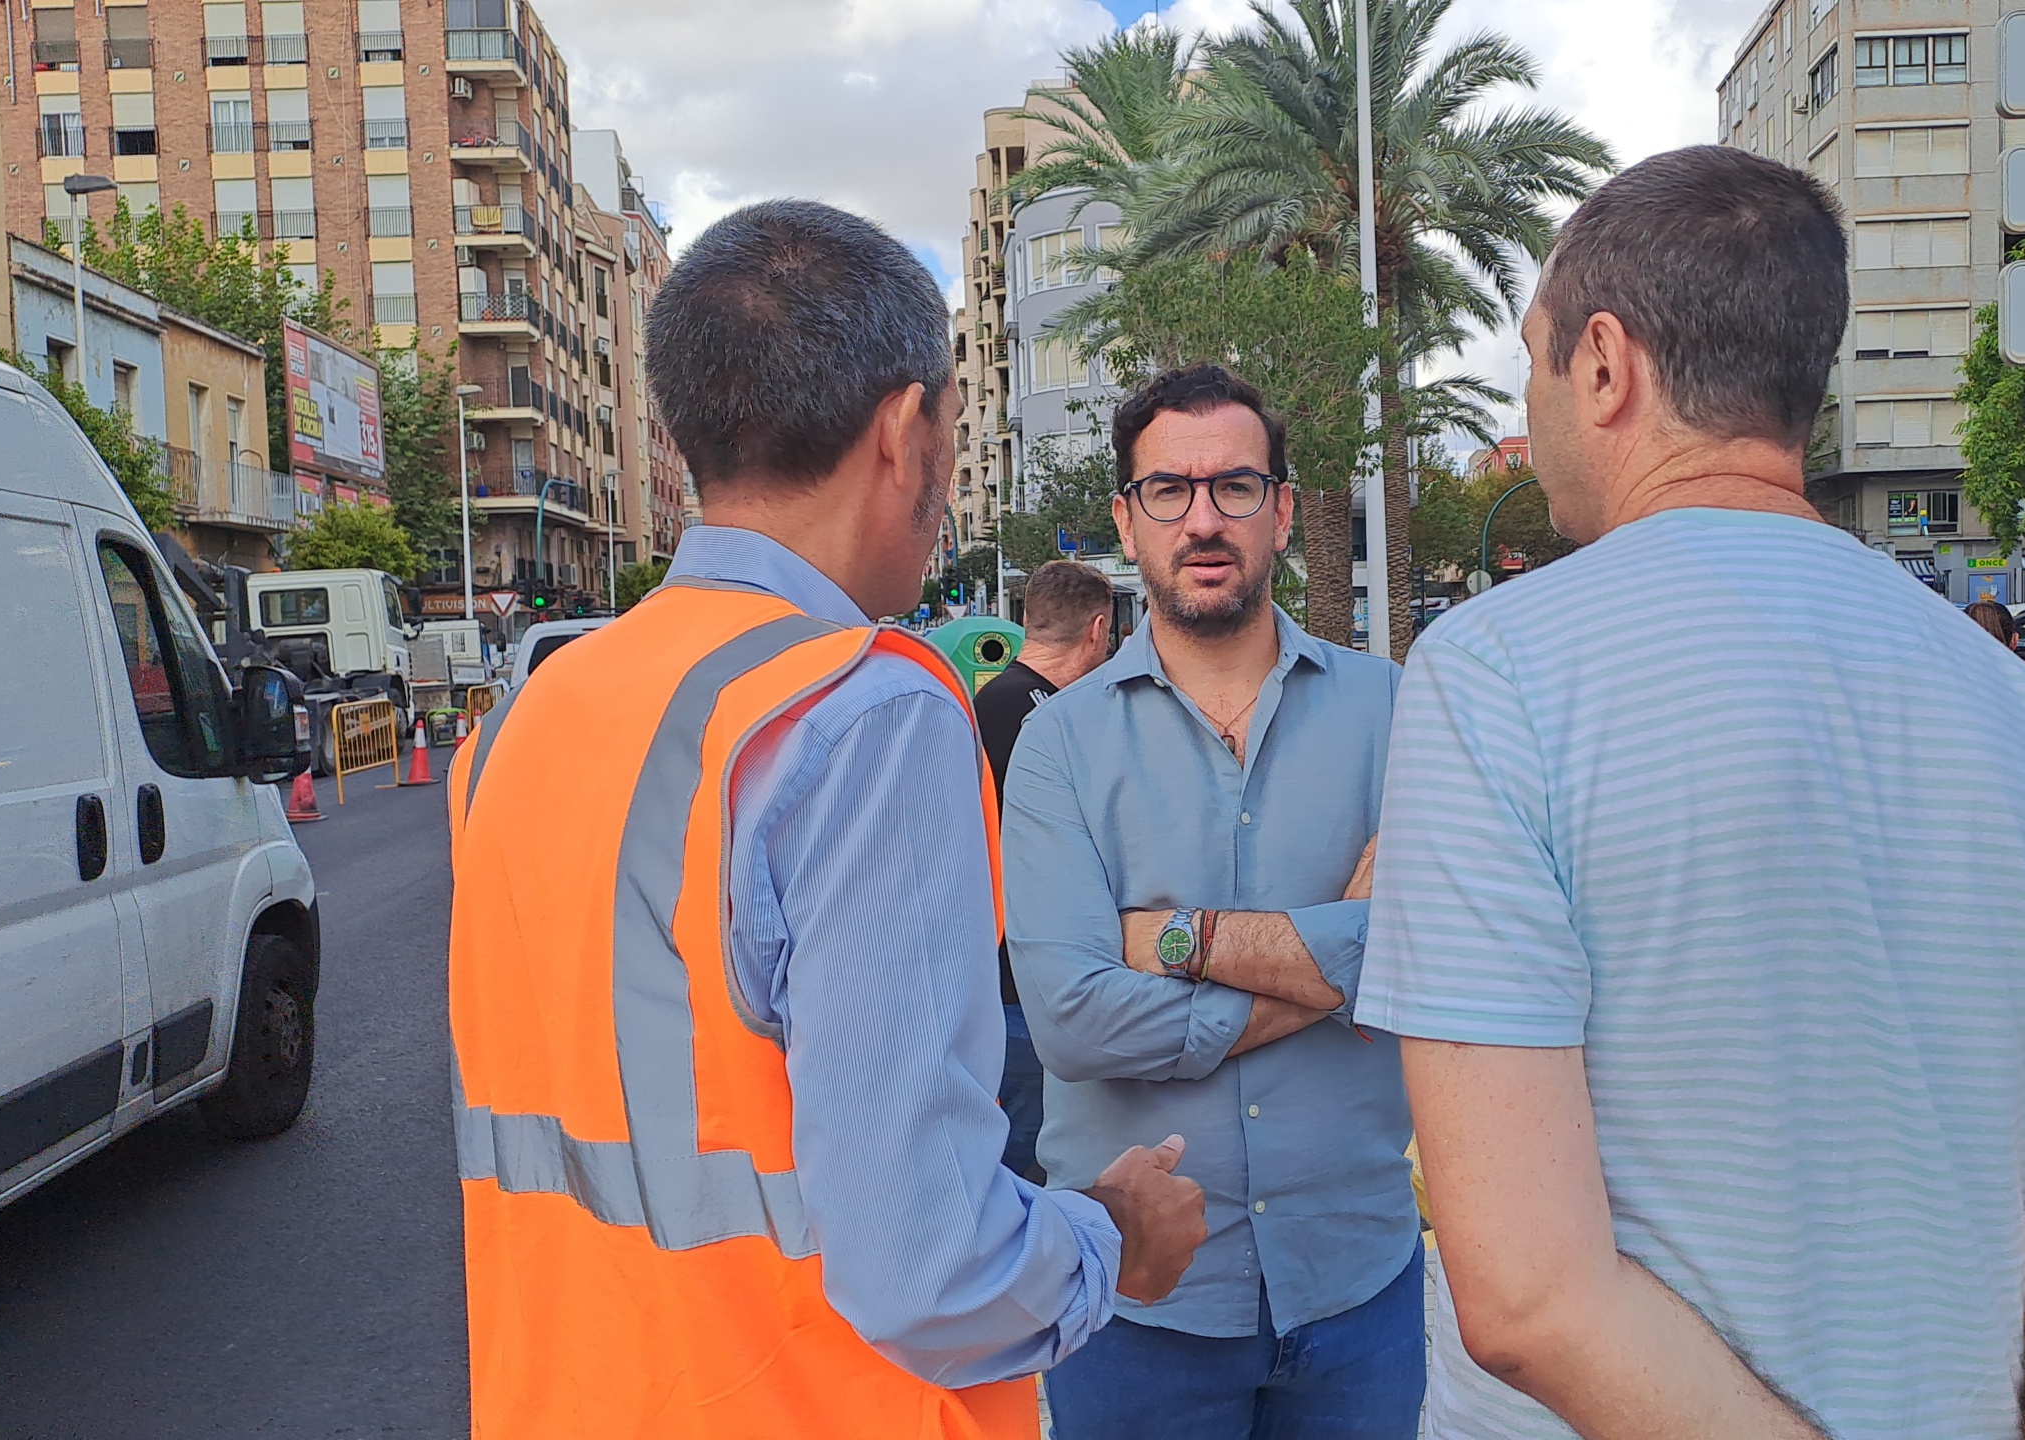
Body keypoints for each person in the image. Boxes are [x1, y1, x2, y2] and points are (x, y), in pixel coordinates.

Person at [1357, 146, 2025, 1440]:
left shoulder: (1498, 675)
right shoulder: (2022, 715)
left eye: (1533, 360)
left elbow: (1529, 1295)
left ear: (1603, 365)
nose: (1533, 409)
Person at [446, 200, 1205, 1440]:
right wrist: (1113, 1236)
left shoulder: (523, 722)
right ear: (905, 432)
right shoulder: (857, 709)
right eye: (953, 432)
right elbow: (930, 1268)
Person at [1002, 365, 1420, 1439]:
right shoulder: (1058, 740)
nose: (1202, 520)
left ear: (1282, 510)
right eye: (1167, 492)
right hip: (1141, 1304)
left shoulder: (1396, 713)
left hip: (1356, 1289)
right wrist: (1329, 973)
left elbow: (1430, 952)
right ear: (1124, 523)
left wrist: (1172, 940)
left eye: (1235, 487)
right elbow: (1070, 1016)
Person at [975, 558, 1117, 1183]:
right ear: (1097, 629)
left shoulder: (990, 702)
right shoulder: (1053, 718)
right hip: (1027, 989)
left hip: (997, 978)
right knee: (1030, 1165)